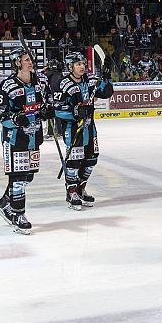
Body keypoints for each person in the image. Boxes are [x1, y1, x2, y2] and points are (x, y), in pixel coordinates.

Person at [0, 47, 54, 234]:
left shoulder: (40, 81)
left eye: (30, 59)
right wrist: (14, 119)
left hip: (34, 137)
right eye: (26, 59)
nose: (30, 62)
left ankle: (5, 201)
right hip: (14, 139)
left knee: (28, 176)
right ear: (17, 63)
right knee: (18, 178)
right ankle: (18, 214)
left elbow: (47, 102)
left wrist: (47, 110)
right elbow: (2, 115)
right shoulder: (7, 85)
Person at [54, 52, 113, 210]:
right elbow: (57, 110)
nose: (82, 66)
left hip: (89, 128)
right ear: (70, 66)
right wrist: (74, 112)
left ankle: (80, 188)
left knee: (91, 159)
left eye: (83, 64)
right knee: (73, 162)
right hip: (73, 129)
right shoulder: (63, 84)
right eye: (78, 64)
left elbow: (106, 93)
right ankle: (71, 191)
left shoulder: (90, 80)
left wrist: (107, 76)